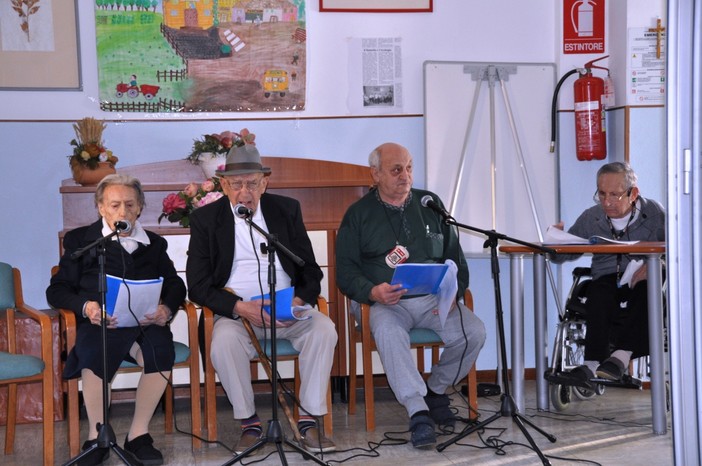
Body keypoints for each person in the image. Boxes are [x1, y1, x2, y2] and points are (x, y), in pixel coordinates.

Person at [186, 143, 338, 455]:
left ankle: (308, 419)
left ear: (264, 183)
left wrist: (299, 300)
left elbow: (309, 269)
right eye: (237, 184)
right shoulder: (206, 220)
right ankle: (249, 423)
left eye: (252, 183)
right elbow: (198, 286)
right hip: (237, 313)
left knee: (324, 329)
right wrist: (239, 307)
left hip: (286, 308)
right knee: (222, 343)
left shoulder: (286, 210)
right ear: (224, 185)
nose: (245, 192)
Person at [335, 142, 486, 449]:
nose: (405, 176)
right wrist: (372, 291)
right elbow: (346, 272)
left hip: (432, 301)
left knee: (474, 331)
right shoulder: (358, 214)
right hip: (385, 303)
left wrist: (452, 291)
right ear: (375, 174)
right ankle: (418, 410)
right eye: (396, 169)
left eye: (409, 167)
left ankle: (436, 389)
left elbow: (456, 257)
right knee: (389, 333)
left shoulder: (430, 204)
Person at [46, 174, 186, 466]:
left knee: (161, 351)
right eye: (114, 205)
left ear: (139, 208)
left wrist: (166, 309)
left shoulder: (155, 244)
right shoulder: (80, 241)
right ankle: (97, 436)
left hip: (143, 323)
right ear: (101, 208)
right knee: (93, 351)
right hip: (100, 323)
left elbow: (175, 285)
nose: (122, 212)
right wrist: (86, 307)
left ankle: (138, 435)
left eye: (129, 204)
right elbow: (57, 289)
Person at [550, 161, 665, 388]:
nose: (607, 202)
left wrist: (659, 264)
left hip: (641, 279)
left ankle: (619, 359)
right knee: (598, 291)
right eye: (601, 194)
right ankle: (592, 363)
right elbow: (564, 254)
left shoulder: (654, 214)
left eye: (615, 194)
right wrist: (555, 242)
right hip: (607, 278)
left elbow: (681, 249)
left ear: (633, 193)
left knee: (648, 289)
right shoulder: (592, 217)